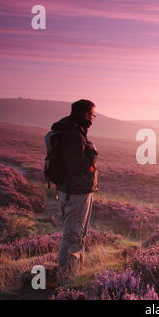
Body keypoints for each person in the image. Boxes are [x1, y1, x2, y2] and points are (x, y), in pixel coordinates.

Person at [50, 99, 98, 281]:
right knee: (73, 235)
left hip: (75, 190)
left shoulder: (72, 129)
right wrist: (92, 153)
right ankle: (67, 278)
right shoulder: (72, 134)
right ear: (85, 114)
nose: (92, 119)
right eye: (92, 115)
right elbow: (78, 166)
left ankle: (74, 272)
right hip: (75, 192)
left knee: (77, 234)